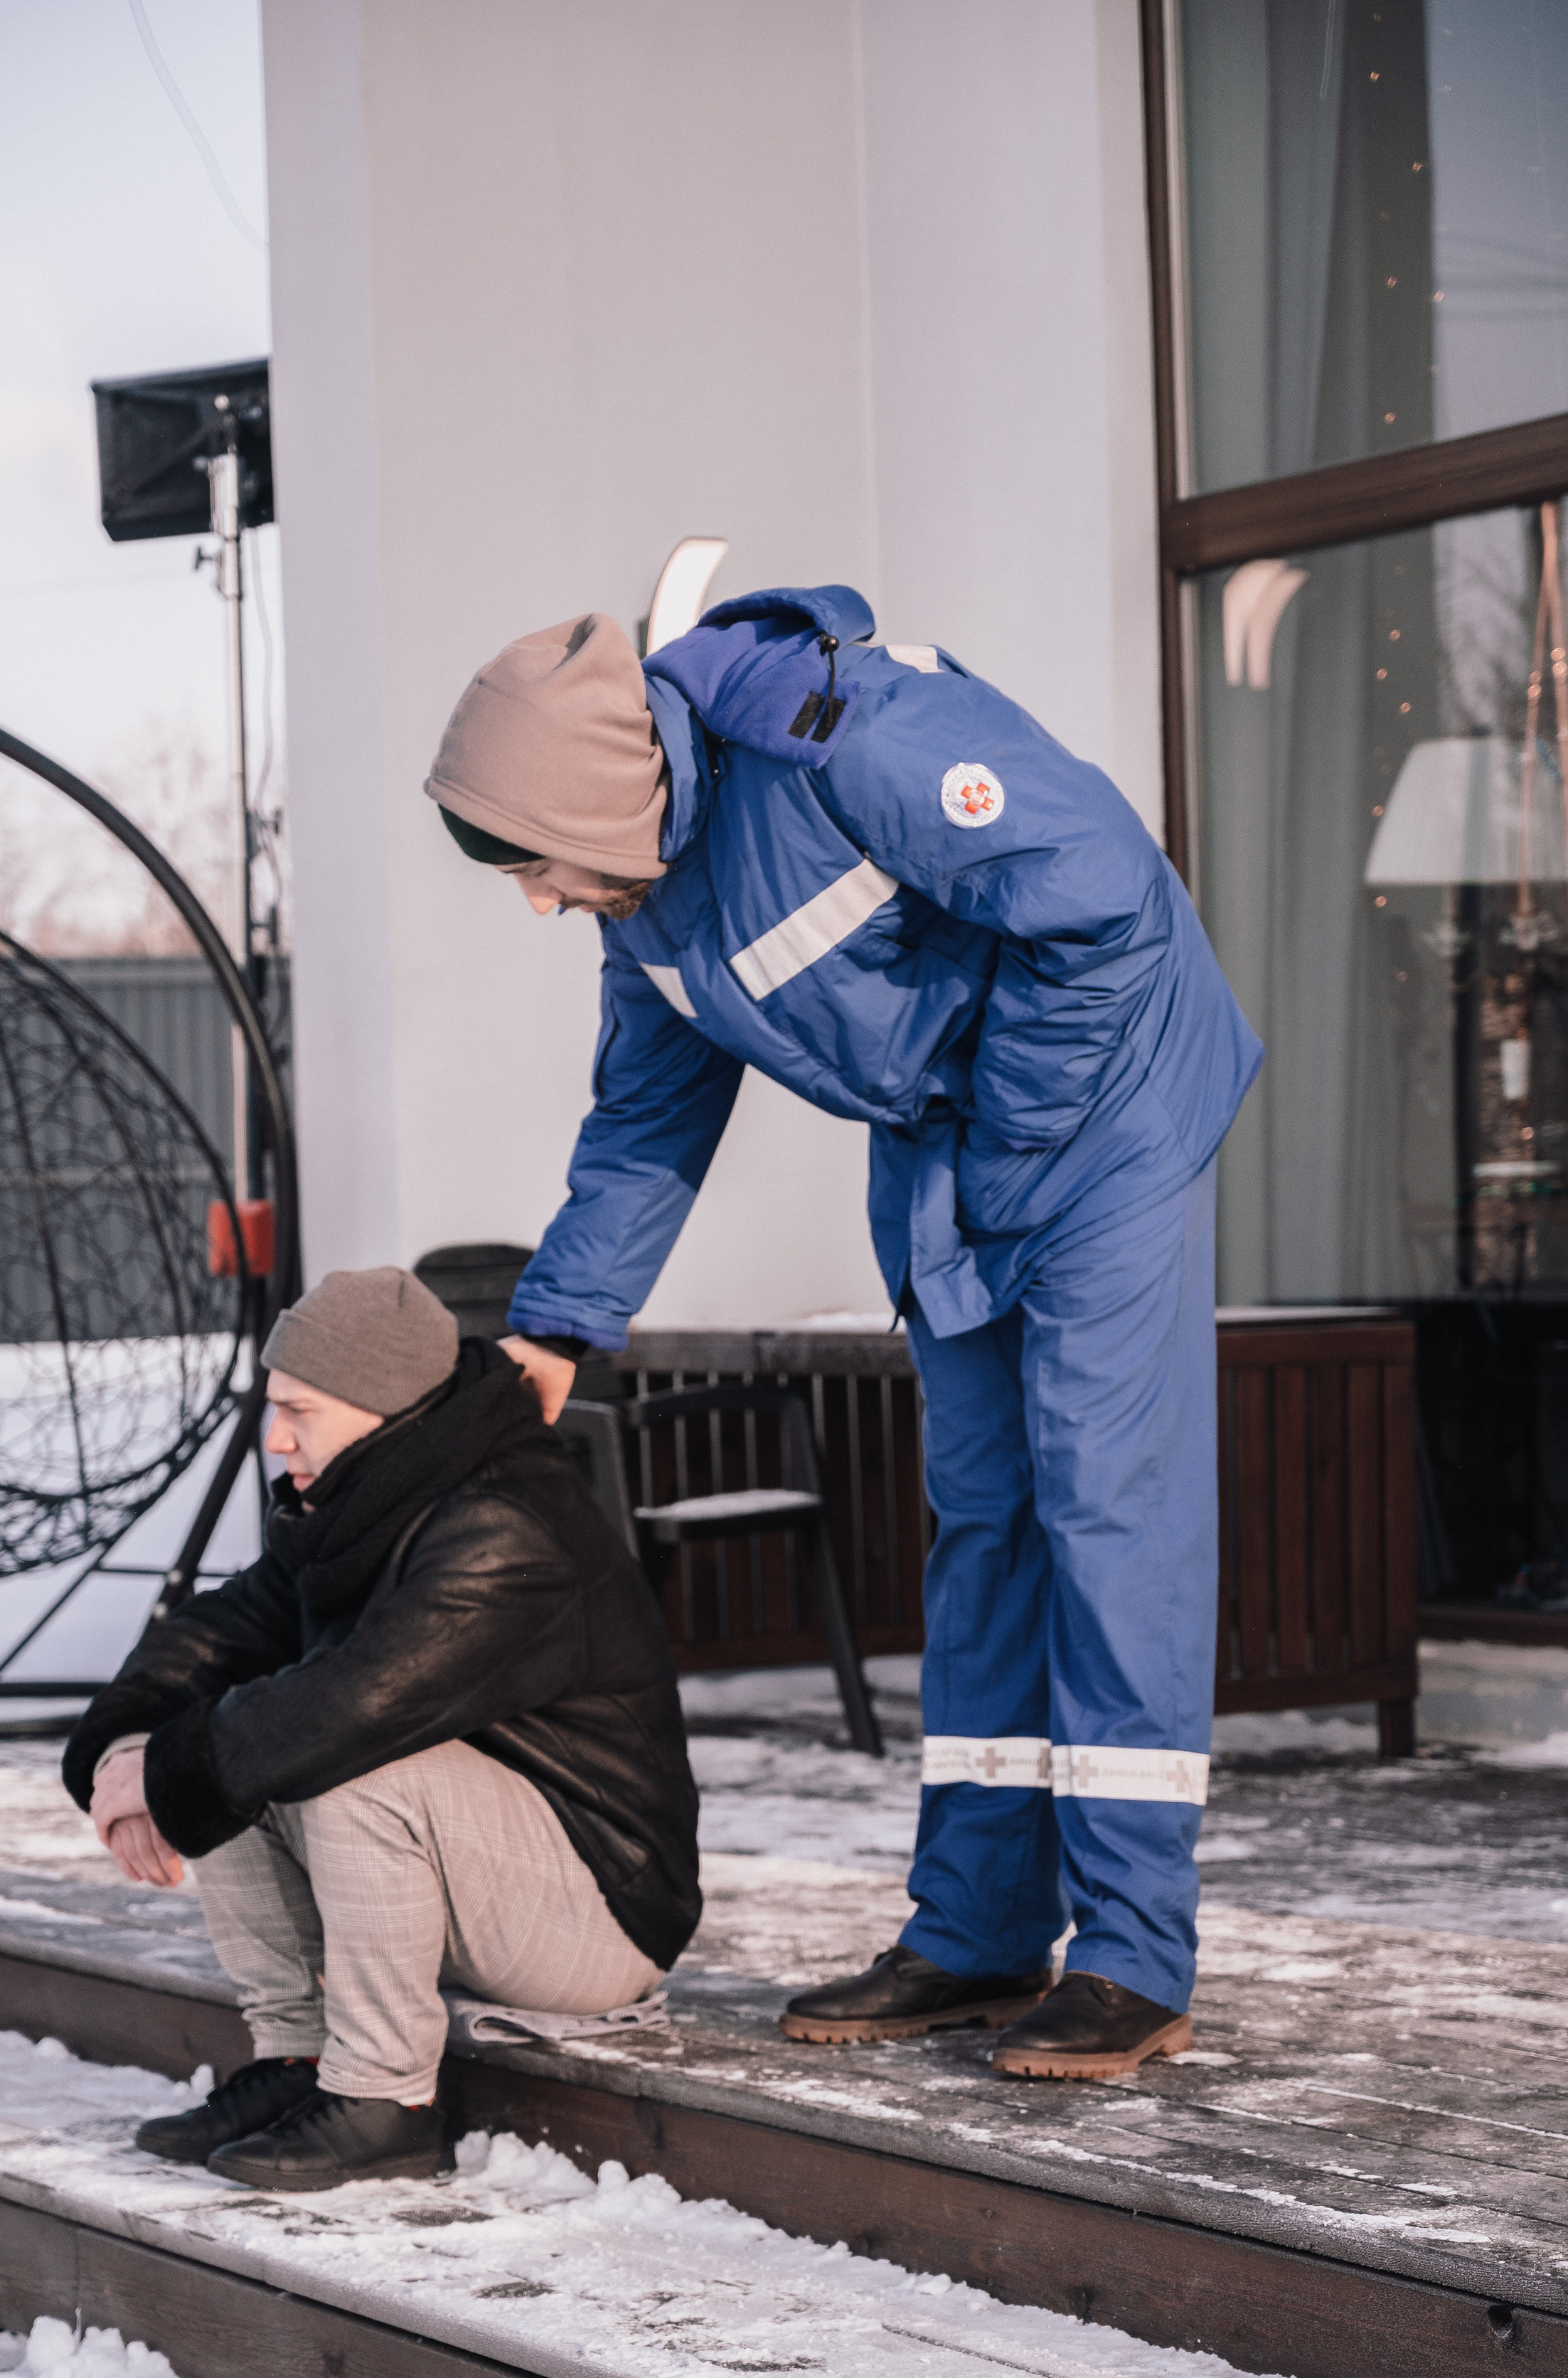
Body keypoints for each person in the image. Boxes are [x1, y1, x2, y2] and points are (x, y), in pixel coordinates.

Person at [427, 594, 1261, 2081]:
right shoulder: (651, 907)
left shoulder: (850, 743)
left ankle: (1132, 1955)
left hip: (1107, 1117)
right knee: (985, 1522)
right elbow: (643, 1124)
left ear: (598, 806)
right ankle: (977, 1927)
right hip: (959, 1151)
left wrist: (1010, 1137)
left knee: (1105, 1513)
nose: (538, 903)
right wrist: (552, 1329)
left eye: (533, 865)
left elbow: (1105, 900)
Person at [63, 1265, 698, 2189]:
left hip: (599, 1913)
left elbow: (361, 1703)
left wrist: (166, 1774)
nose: (276, 1439)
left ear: (382, 1405)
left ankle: (385, 2100)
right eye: (273, 1407)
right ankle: (297, 2060)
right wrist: (127, 1746)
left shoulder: (505, 1528)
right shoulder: (372, 1498)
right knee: (221, 1738)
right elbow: (228, 1629)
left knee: (333, 1755)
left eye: (300, 1411)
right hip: (481, 1871)